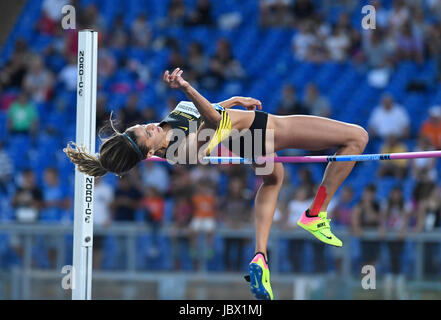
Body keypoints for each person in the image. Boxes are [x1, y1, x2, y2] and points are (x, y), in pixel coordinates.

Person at [64, 67, 369, 300]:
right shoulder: (178, 151)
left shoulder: (167, 130)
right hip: (265, 132)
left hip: (250, 139)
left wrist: (234, 100)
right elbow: (213, 122)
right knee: (357, 137)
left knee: (274, 180)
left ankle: (260, 256)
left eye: (143, 126)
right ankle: (316, 213)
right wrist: (186, 87)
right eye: (148, 133)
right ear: (149, 152)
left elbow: (206, 113)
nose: (150, 126)